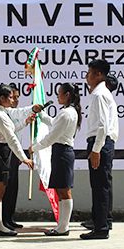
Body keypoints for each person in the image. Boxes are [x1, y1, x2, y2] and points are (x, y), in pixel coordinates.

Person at [30, 83, 81, 236]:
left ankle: (63, 227)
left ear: (67, 95)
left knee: (64, 190)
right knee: (61, 189)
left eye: (59, 93)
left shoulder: (67, 113)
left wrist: (35, 147)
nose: (57, 96)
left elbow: (52, 136)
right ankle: (62, 226)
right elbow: (55, 124)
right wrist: (41, 115)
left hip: (62, 153)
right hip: (61, 152)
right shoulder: (67, 112)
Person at [0, 84, 40, 236]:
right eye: (10, 97)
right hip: (1, 153)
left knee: (2, 188)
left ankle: (1, 224)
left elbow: (14, 126)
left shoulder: (4, 112)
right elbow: (12, 139)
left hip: (5, 152)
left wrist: (26, 120)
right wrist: (24, 158)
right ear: (2, 98)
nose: (13, 100)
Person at [81, 59, 119, 240]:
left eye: (89, 73)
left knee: (99, 186)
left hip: (100, 143)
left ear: (98, 74)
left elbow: (102, 125)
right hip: (103, 143)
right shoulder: (102, 93)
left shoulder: (99, 94)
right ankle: (101, 222)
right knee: (101, 185)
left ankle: (101, 228)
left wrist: (96, 150)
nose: (87, 77)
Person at [2, 84, 25, 230]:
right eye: (13, 97)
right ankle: (4, 219)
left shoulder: (16, 112)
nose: (15, 100)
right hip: (6, 153)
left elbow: (17, 129)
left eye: (17, 97)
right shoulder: (3, 113)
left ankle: (10, 217)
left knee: (14, 187)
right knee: (7, 187)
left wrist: (26, 121)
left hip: (15, 154)